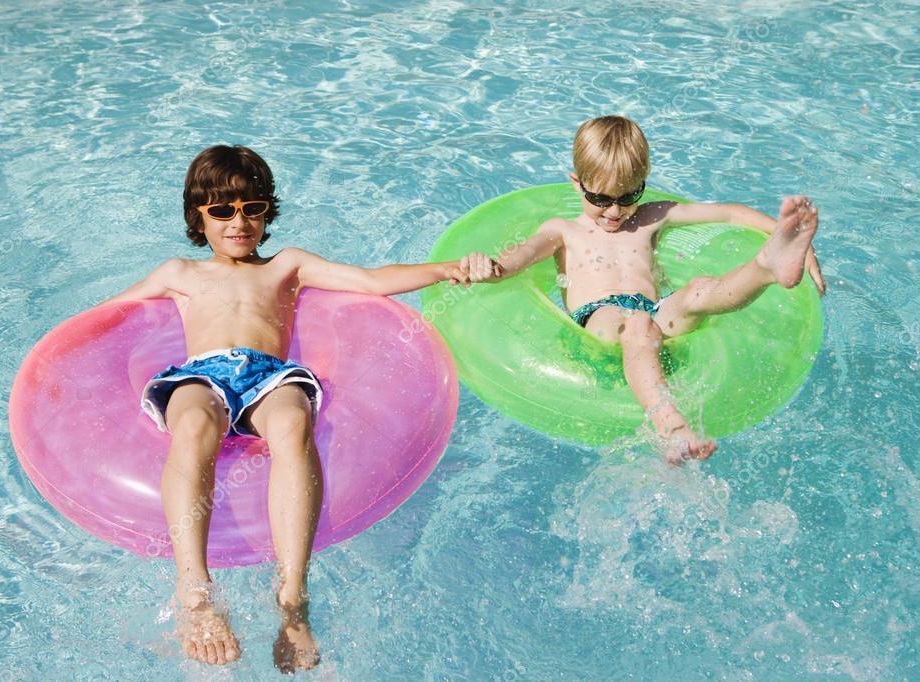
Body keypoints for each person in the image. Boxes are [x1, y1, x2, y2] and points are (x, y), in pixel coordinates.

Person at [104, 145, 467, 671]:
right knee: (195, 423)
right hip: (201, 375)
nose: (239, 222)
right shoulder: (179, 272)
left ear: (267, 212)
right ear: (196, 215)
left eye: (252, 208)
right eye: (222, 211)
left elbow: (370, 280)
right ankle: (194, 590)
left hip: (266, 375)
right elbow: (110, 315)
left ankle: (292, 596)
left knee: (294, 420)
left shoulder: (287, 266)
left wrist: (447, 268)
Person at [460, 115, 825, 464]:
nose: (615, 211)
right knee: (634, 323)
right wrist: (489, 268)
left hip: (654, 313)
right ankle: (671, 425)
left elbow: (728, 214)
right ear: (576, 183)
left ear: (643, 184)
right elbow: (519, 258)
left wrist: (792, 239)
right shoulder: (562, 230)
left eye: (628, 196)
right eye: (601, 199)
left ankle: (767, 266)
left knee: (697, 292)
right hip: (599, 321)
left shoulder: (652, 216)